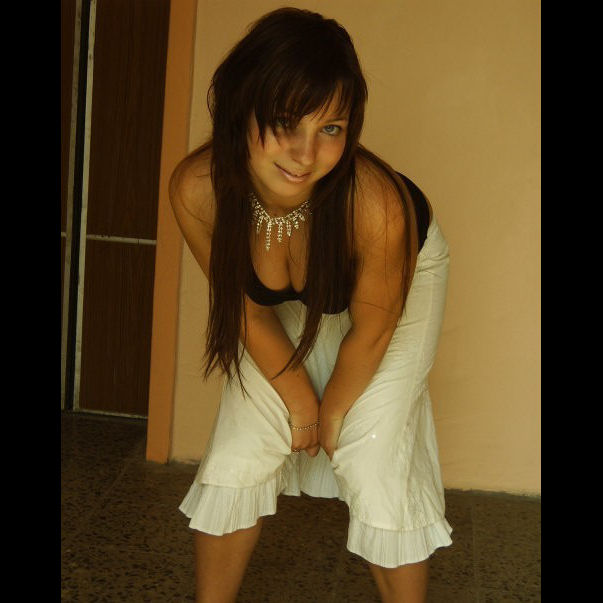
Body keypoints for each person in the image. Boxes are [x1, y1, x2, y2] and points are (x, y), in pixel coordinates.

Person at [171, 7, 452, 602]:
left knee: (370, 455)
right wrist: (299, 403)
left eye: (330, 128)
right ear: (240, 109)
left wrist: (333, 416)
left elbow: (372, 331)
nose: (305, 154)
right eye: (284, 122)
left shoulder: (374, 207)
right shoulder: (199, 191)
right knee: (242, 445)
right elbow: (247, 311)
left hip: (396, 289)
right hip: (289, 306)